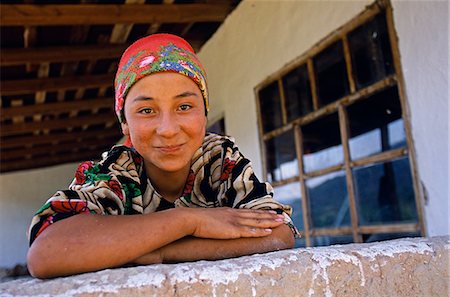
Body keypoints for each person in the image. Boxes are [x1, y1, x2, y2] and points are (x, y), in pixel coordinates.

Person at [26, 33, 299, 279]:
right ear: (124, 124)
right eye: (146, 111)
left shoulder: (219, 159)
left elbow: (278, 232)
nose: (168, 130)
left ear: (204, 114)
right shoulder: (116, 173)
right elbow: (47, 253)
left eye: (184, 106)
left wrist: (162, 252)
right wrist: (188, 221)